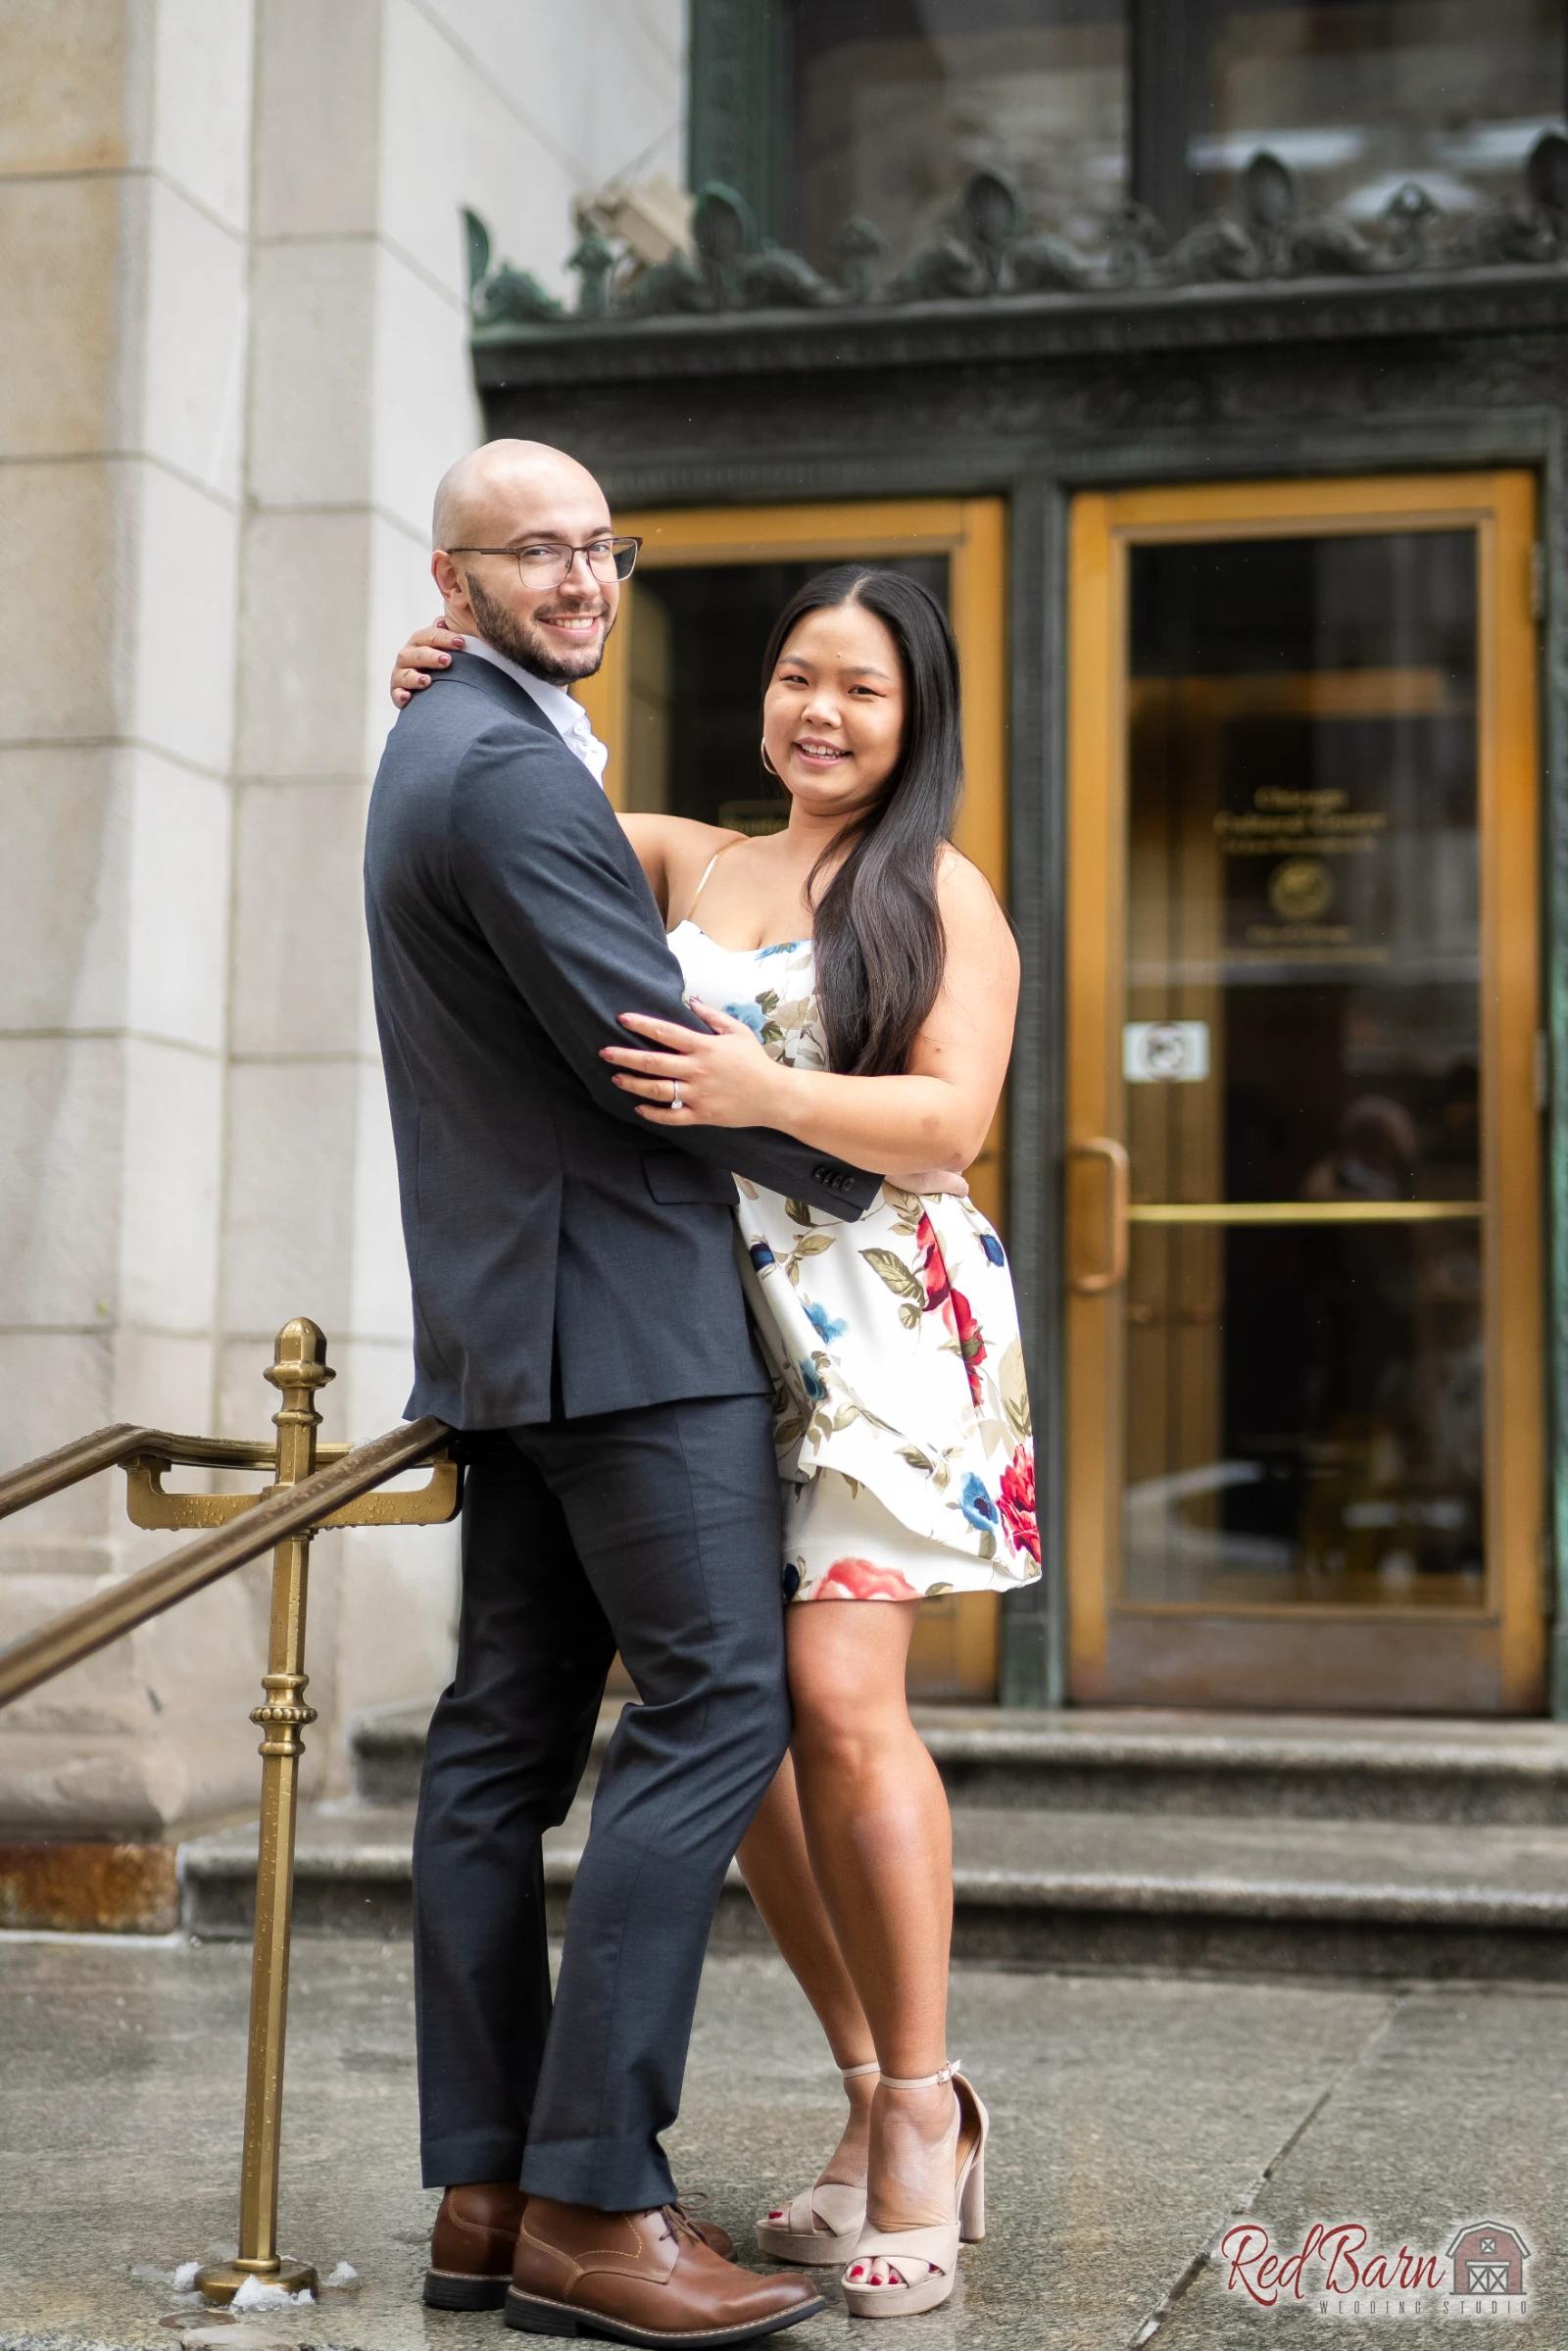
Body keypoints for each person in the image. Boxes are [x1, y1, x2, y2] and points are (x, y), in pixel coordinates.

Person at [389, 546, 1038, 2320]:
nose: (820, 713)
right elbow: (539, 780)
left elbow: (950, 1117)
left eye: (863, 688)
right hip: (706, 1331)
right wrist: (455, 656)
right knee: (729, 1735)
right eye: (796, 678)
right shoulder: (696, 857)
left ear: (918, 723)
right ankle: (870, 2092)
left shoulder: (943, 893)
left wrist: (764, 1092)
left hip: (882, 1330)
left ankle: (923, 2120)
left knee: (834, 1704)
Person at [368, 437, 884, 2346]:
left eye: (602, 547)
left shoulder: (464, 740)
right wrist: (877, 1166)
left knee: (499, 1746)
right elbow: (643, 1052)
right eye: (536, 557)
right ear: (455, 580)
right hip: (622, 1328)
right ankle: (594, 2203)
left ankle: (486, 2191)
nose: (582, 581)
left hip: (522, 1327)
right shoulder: (495, 762)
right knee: (716, 1706)